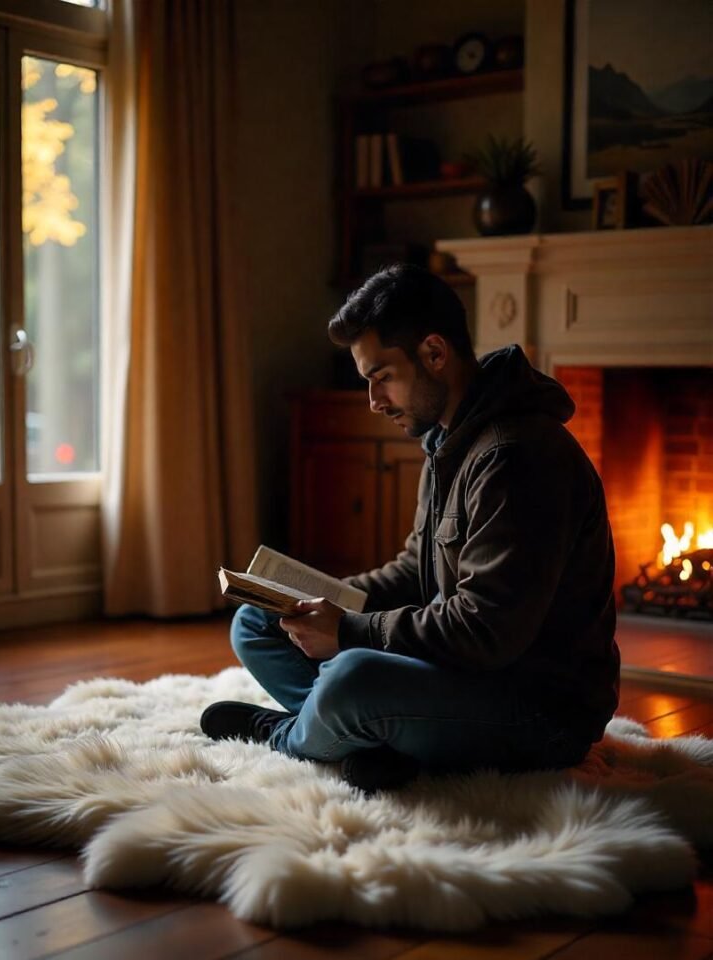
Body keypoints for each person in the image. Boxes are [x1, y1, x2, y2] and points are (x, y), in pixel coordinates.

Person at [200, 264, 620, 794]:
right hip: (466, 675)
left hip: (537, 710)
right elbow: (415, 570)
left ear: (435, 354)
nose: (374, 402)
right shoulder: (449, 439)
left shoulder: (517, 456)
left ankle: (289, 735)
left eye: (382, 378)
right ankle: (375, 742)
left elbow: (485, 630)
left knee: (353, 677)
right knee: (257, 620)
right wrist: (318, 597)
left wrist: (348, 631)